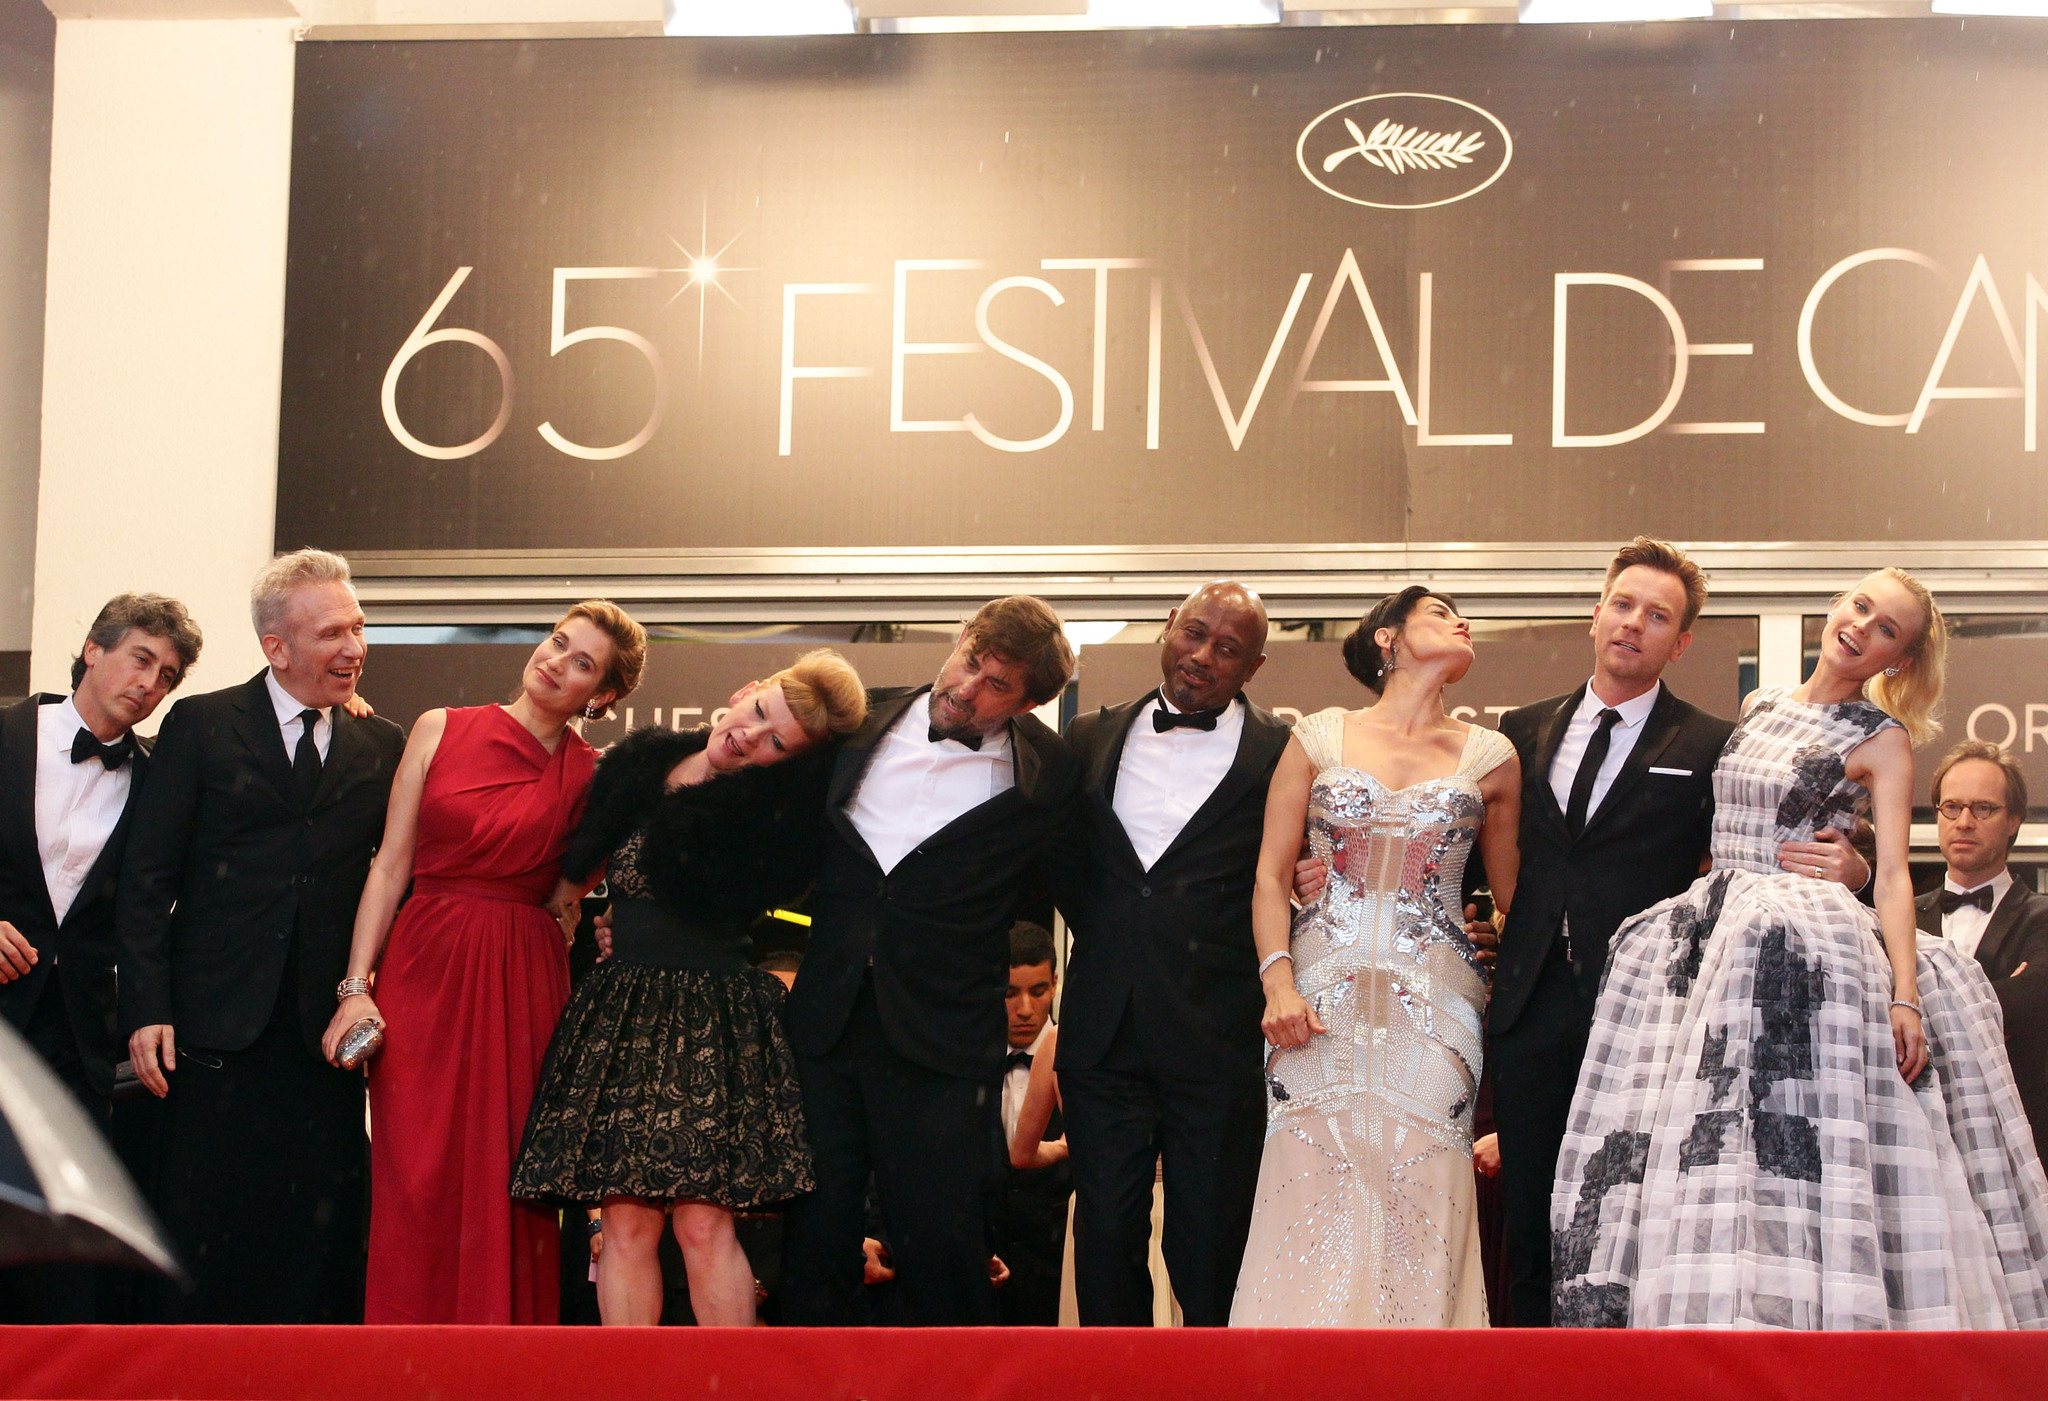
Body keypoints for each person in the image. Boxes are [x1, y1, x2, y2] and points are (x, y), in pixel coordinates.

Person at [1553, 568, 2048, 1328]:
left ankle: (1796, 1317)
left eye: (1887, 629)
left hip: (1791, 945)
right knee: (1683, 1135)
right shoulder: (1759, 704)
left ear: (1898, 661)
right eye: (1860, 606)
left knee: (1778, 1134)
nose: (1861, 627)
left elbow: (1889, 876)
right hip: (1703, 935)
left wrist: (1905, 992)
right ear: (1837, 605)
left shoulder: (1882, 740)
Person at [1483, 537, 1871, 1327]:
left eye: (1657, 616)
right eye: (1623, 605)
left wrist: (1855, 871)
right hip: (1528, 1006)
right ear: (1596, 615)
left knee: (1621, 1225)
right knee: (1528, 1223)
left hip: (1648, 1014)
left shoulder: (1708, 742)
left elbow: (1755, 848)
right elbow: (1472, 845)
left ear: (1681, 641)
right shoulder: (1518, 729)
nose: (1634, 624)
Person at [514, 650, 868, 1327]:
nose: (748, 736)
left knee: (703, 1226)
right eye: (759, 714)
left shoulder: (769, 825)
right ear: (747, 688)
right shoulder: (642, 764)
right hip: (622, 1009)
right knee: (624, 1226)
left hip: (709, 1018)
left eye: (775, 744)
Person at [327, 601, 646, 1325]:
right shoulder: (440, 726)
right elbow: (389, 867)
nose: (556, 661)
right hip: (424, 967)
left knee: (513, 1177)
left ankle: (505, 1360)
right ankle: (406, 1361)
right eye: (558, 642)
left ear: (602, 696)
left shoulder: (595, 778)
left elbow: (573, 897)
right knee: (416, 1169)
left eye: (582, 662)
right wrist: (355, 986)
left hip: (521, 979)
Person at [119, 548, 407, 1323]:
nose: (353, 647)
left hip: (326, 1039)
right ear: (276, 648)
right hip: (211, 1030)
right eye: (330, 633)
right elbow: (148, 876)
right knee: (205, 1230)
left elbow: (404, 879)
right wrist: (147, 1003)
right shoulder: (203, 724)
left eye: (358, 626)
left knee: (317, 1240)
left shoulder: (383, 744)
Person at [780, 596, 1079, 1326]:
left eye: (997, 685)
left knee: (944, 1250)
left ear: (1029, 702)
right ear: (959, 639)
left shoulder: (1049, 776)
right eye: (971, 659)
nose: (968, 687)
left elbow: (1063, 892)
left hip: (942, 1046)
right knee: (815, 1241)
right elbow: (769, 841)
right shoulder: (854, 725)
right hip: (825, 1027)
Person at [1229, 586, 1519, 1327]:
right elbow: (1269, 874)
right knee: (1306, 1185)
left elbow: (1515, 899)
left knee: (1424, 1194)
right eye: (1439, 611)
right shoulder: (1320, 736)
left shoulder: (1493, 757)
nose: (1461, 620)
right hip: (1315, 1002)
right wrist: (1277, 982)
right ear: (1387, 638)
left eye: (1465, 612)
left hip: (1442, 1009)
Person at [1054, 581, 1289, 1326]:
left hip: (1216, 1035)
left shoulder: (1282, 752)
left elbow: (1293, 868)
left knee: (1210, 1244)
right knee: (1107, 1232)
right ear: (1168, 627)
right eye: (1194, 633)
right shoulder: (1087, 735)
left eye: (1226, 648)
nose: (1201, 656)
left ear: (1252, 667)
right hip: (1101, 1028)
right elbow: (1056, 863)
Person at [0, 594, 201, 1323]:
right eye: (141, 658)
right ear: (93, 648)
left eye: (168, 675)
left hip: (79, 1033)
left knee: (58, 1234)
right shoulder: (7, 731)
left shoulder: (155, 776)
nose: (151, 683)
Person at [1915, 741, 2048, 1157]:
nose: (1964, 822)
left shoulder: (2042, 917)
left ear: (2013, 821)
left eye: (1983, 808)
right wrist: (1998, 994)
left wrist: (1923, 1008)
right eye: (1951, 807)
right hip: (1920, 1141)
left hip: (2022, 1140)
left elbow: (2032, 1008)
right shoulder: (1898, 919)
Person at [995, 920, 1071, 1327]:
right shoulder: (967, 1064)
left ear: (1055, 983)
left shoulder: (1078, 1060)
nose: (1025, 1009)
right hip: (985, 1261)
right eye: (1010, 993)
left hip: (1060, 1261)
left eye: (1038, 991)